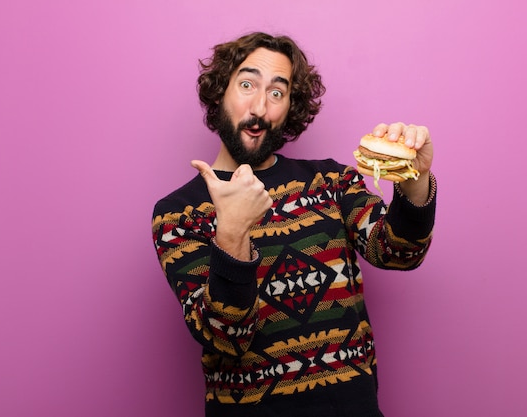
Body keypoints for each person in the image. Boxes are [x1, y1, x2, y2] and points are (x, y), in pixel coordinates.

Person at [151, 31, 436, 417]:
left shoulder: (330, 182)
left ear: (290, 108)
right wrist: (233, 232)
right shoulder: (177, 214)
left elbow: (398, 252)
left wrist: (414, 178)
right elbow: (226, 336)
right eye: (247, 84)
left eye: (277, 93)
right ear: (220, 92)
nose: (259, 107)